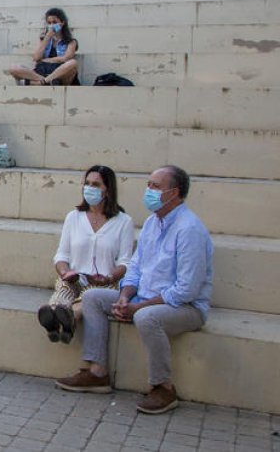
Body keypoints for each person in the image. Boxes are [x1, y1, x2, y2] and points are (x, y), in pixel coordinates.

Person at [55, 165, 214, 415]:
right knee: (94, 297)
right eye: (148, 184)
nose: (148, 190)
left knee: (146, 317)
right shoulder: (152, 223)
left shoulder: (189, 229)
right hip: (144, 298)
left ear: (174, 193)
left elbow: (186, 290)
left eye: (155, 186)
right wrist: (125, 296)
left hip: (184, 308)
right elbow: (136, 268)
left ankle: (163, 387)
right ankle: (97, 372)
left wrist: (137, 307)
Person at [37, 165, 135, 344]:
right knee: (64, 290)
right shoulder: (73, 217)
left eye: (96, 184)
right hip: (75, 278)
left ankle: (67, 319)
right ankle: (55, 316)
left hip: (104, 282)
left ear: (107, 190)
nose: (90, 188)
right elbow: (61, 255)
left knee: (90, 296)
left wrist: (107, 277)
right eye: (87, 183)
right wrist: (65, 272)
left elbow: (125, 262)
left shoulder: (123, 222)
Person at [8, 8, 80, 86]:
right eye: (49, 23)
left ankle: (40, 82)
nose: (52, 25)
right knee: (14, 68)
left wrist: (45, 60)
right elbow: (36, 58)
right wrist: (47, 37)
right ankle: (46, 81)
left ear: (62, 23)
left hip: (60, 73)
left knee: (73, 63)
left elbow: (66, 58)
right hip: (42, 72)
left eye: (55, 22)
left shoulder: (71, 42)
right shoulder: (44, 40)